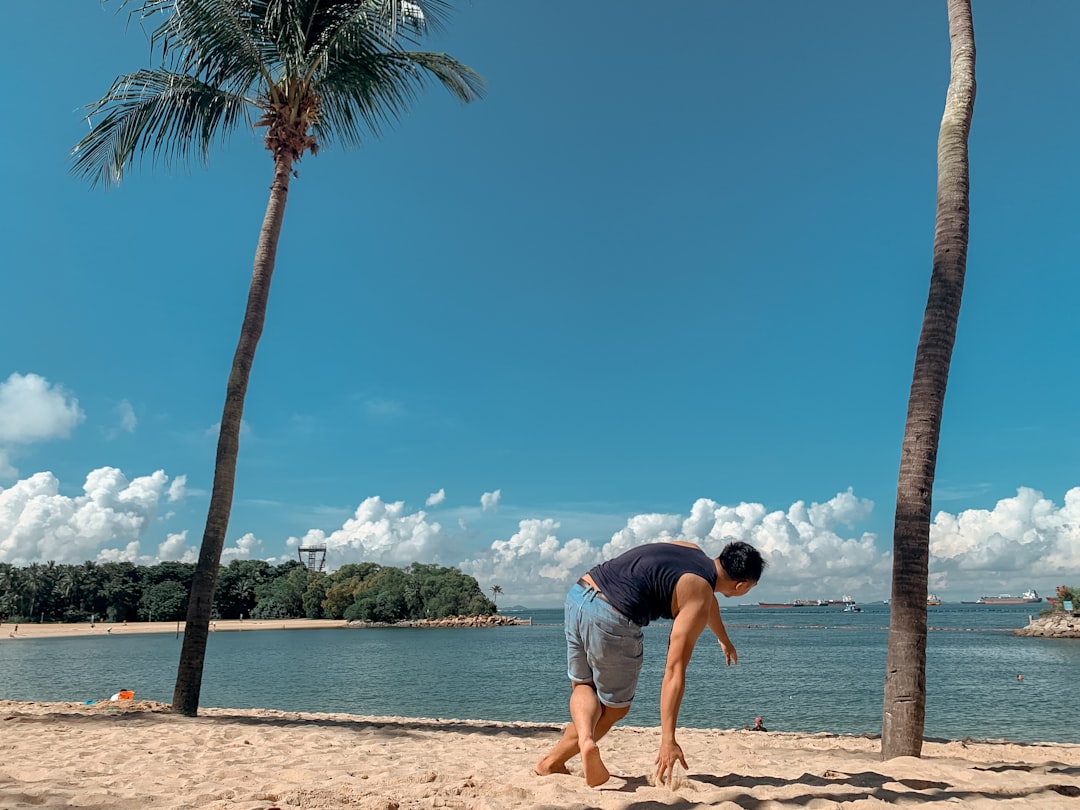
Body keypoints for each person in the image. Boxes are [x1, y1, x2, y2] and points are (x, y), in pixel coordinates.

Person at [535, 540, 766, 787]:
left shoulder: (691, 549)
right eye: (750, 588)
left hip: (580, 594)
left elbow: (709, 601)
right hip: (612, 616)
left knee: (583, 684)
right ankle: (574, 749)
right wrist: (668, 739)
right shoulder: (699, 594)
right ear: (741, 586)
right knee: (615, 708)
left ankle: (559, 758)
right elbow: (674, 671)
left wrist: (724, 639)